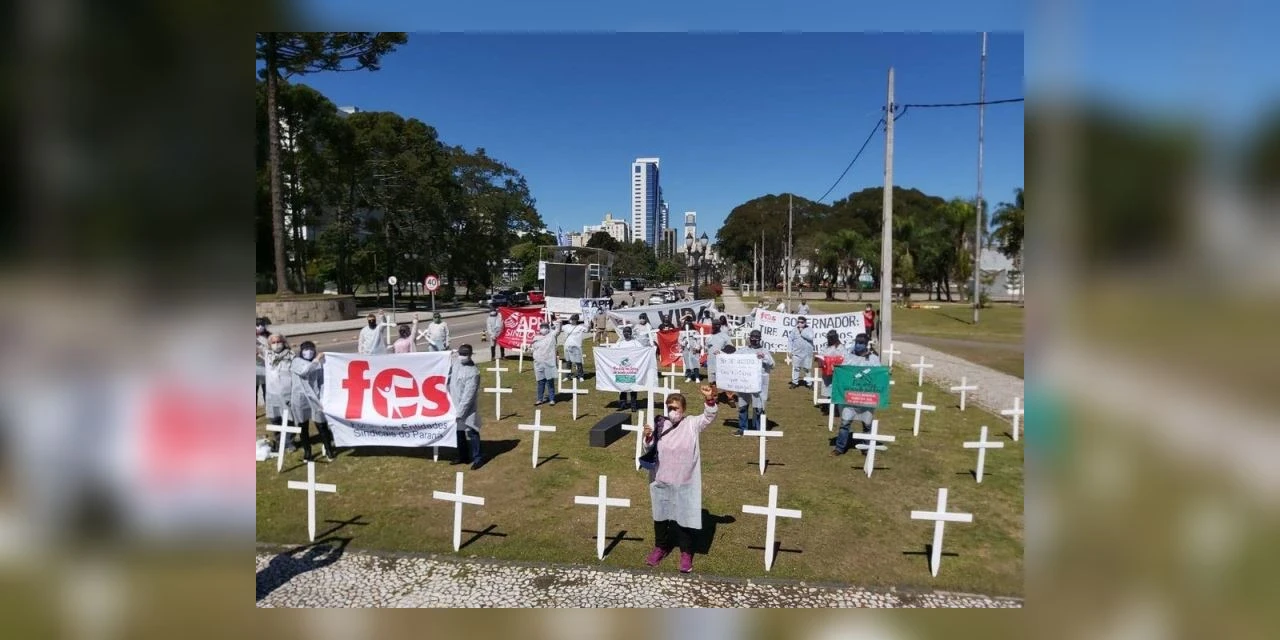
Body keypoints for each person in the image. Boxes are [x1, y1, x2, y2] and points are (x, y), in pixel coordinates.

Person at [642, 385, 719, 574]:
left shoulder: (692, 424)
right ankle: (660, 547)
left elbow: (708, 417)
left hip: (685, 481)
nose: (672, 411)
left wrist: (709, 400)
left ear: (683, 409)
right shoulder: (660, 425)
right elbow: (649, 450)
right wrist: (648, 438)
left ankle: (686, 552)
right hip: (661, 479)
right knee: (660, 516)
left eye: (675, 408)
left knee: (684, 519)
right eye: (669, 407)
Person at [831, 333, 882, 456]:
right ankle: (840, 447)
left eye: (861, 343)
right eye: (857, 342)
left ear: (866, 345)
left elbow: (879, 374)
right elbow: (843, 372)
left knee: (867, 424)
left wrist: (887, 372)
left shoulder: (873, 359)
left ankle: (865, 447)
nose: (858, 345)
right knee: (845, 423)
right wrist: (836, 370)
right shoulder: (849, 357)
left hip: (866, 398)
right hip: (850, 397)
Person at [290, 341, 335, 461]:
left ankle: (329, 449)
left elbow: (321, 381)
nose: (308, 351)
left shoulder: (319, 364)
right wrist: (316, 360)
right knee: (303, 426)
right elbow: (305, 371)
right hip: (300, 398)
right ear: (301, 351)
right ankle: (307, 452)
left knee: (321, 424)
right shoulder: (296, 361)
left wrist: (323, 396)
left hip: (315, 398)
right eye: (305, 349)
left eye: (310, 348)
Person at [449, 344, 484, 469]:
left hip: (467, 409)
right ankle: (463, 456)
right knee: (459, 433)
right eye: (461, 354)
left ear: (470, 355)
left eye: (465, 354)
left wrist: (460, 413)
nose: (462, 357)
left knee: (472, 432)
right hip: (454, 404)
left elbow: (468, 396)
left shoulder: (473, 372)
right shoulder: (456, 364)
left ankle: (478, 458)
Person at [734, 329, 773, 436]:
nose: (754, 340)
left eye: (756, 338)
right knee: (743, 405)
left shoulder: (764, 351)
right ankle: (743, 428)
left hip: (758, 383)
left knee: (758, 406)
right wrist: (720, 354)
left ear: (760, 339)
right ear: (749, 338)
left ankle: (759, 429)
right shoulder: (743, 350)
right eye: (752, 337)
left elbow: (772, 364)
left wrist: (763, 357)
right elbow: (731, 358)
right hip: (745, 382)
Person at [262, 332, 296, 451]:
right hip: (272, 393)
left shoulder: (291, 355)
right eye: (274, 342)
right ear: (270, 344)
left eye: (279, 342)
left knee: (289, 418)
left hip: (287, 392)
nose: (276, 344)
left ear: (283, 342)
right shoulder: (267, 355)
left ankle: (289, 442)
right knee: (275, 419)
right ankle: (279, 441)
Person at [612, 325, 643, 411]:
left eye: (628, 332)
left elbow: (642, 351)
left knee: (633, 387)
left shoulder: (636, 343)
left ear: (631, 333)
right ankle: (623, 404)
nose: (626, 334)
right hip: (622, 370)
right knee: (622, 387)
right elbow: (611, 351)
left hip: (632, 370)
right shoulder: (619, 344)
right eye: (625, 332)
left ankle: (633, 405)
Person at [530, 320, 561, 406]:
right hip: (539, 363)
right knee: (540, 382)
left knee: (550, 381)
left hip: (549, 362)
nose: (543, 329)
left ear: (548, 329)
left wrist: (558, 322)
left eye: (545, 328)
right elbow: (532, 348)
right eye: (542, 328)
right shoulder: (535, 338)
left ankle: (552, 399)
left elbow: (558, 330)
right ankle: (540, 399)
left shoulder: (551, 336)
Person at [703, 319, 731, 397]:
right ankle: (715, 397)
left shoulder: (725, 336)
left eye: (718, 325)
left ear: (720, 326)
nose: (716, 326)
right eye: (714, 324)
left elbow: (731, 348)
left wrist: (721, 352)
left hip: (722, 363)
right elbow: (706, 349)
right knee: (712, 381)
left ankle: (730, 397)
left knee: (725, 380)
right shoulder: (709, 337)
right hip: (711, 362)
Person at [787, 316, 816, 389]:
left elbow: (811, 337)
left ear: (805, 322)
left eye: (802, 322)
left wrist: (802, 332)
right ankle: (794, 382)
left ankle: (809, 383)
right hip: (797, 353)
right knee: (796, 368)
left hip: (807, 353)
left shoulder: (809, 329)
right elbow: (790, 340)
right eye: (798, 322)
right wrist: (789, 350)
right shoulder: (794, 330)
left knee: (807, 369)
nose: (800, 324)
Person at [562, 314, 589, 380]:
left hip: (576, 346)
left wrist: (588, 323)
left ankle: (581, 376)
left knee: (578, 362)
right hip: (567, 346)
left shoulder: (580, 327)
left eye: (573, 319)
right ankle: (567, 376)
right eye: (571, 319)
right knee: (568, 361)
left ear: (576, 320)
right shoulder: (566, 326)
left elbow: (587, 330)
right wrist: (558, 321)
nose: (571, 320)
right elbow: (559, 328)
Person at [679, 315, 703, 383]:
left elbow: (698, 339)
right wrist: (684, 342)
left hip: (693, 348)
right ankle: (689, 376)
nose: (687, 324)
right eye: (686, 323)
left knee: (695, 362)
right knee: (688, 363)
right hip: (686, 348)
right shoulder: (682, 332)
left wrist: (697, 347)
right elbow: (679, 340)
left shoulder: (695, 331)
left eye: (688, 323)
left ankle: (697, 377)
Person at [256, 317, 271, 406]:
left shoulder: (269, 336)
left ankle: (269, 409)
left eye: (262, 325)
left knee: (267, 390)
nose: (260, 327)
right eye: (257, 325)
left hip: (266, 366)